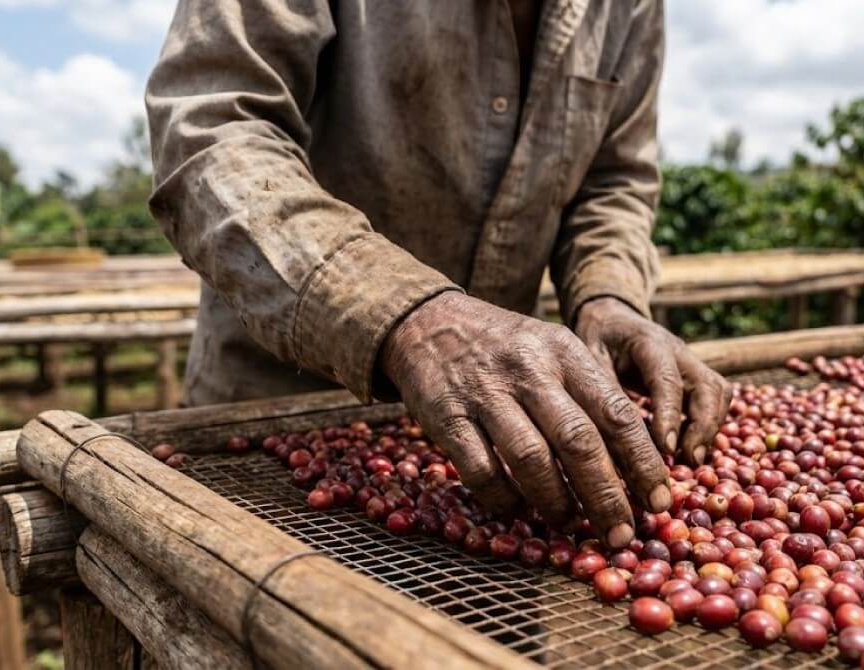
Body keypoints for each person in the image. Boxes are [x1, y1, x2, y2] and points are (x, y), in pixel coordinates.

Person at [145, 0, 730, 549]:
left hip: (506, 445)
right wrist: (407, 315)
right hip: (277, 420)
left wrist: (609, 295)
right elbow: (211, 131)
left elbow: (613, 184)